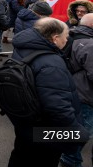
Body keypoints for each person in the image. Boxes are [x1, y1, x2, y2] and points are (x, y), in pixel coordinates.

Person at [8, 18, 88, 167]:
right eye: (65, 37)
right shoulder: (51, 63)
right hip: (45, 130)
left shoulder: (23, 47)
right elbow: (57, 107)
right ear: (55, 38)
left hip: (26, 124)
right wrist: (77, 134)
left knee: (21, 156)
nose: (67, 41)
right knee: (42, 160)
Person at [60, 13, 93, 167]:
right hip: (86, 94)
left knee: (74, 128)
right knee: (83, 131)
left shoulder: (70, 35)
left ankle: (67, 155)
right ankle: (70, 159)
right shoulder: (89, 44)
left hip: (71, 90)